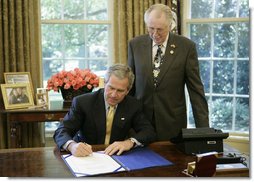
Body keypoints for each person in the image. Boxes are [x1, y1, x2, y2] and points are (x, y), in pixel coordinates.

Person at [128, 4, 209, 141]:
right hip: (140, 123)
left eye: (160, 29)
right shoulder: (135, 44)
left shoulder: (186, 47)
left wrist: (205, 133)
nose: (155, 34)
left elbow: (196, 91)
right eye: (151, 28)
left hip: (172, 123)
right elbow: (129, 86)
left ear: (170, 25)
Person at [54, 64, 156, 157]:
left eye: (120, 91)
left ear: (127, 91)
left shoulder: (133, 105)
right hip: (86, 155)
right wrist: (72, 146)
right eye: (111, 88)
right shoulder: (83, 102)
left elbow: (148, 131)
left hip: (117, 156)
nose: (113, 95)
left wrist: (129, 142)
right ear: (104, 83)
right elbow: (61, 131)